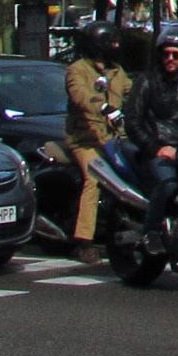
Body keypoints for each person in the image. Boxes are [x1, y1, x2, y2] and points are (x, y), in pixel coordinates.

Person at [121, 25, 178, 239]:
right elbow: (133, 121)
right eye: (166, 54)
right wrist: (156, 147)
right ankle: (151, 231)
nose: (170, 59)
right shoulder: (147, 81)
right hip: (158, 149)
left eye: (175, 54)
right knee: (168, 182)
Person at [61, 25, 127, 257]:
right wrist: (101, 105)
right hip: (85, 140)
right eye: (112, 42)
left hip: (115, 138)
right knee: (95, 178)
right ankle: (85, 242)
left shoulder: (116, 71)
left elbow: (134, 92)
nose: (116, 47)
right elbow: (79, 95)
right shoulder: (77, 70)